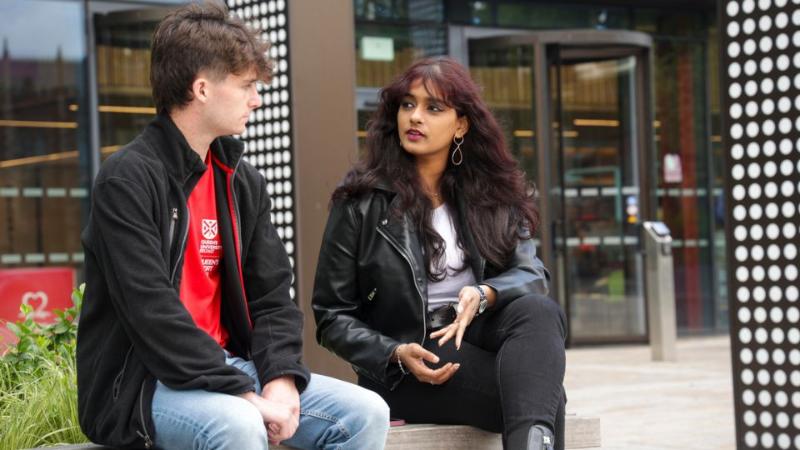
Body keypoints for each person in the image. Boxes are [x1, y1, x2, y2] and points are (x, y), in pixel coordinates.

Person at [76, 3, 389, 449]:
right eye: (246, 86)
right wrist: (245, 395)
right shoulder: (127, 179)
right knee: (238, 425)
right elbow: (152, 313)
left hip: (230, 367)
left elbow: (273, 298)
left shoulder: (240, 181)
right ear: (201, 89)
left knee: (365, 413)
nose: (256, 99)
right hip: (144, 384)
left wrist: (279, 378)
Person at [312, 57, 567, 450]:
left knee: (540, 312)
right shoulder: (361, 202)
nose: (415, 117)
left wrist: (484, 294)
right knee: (543, 395)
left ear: (461, 124)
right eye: (407, 104)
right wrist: (393, 352)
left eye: (434, 108)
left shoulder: (494, 194)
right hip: (408, 359)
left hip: (477, 336)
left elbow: (531, 274)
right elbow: (331, 316)